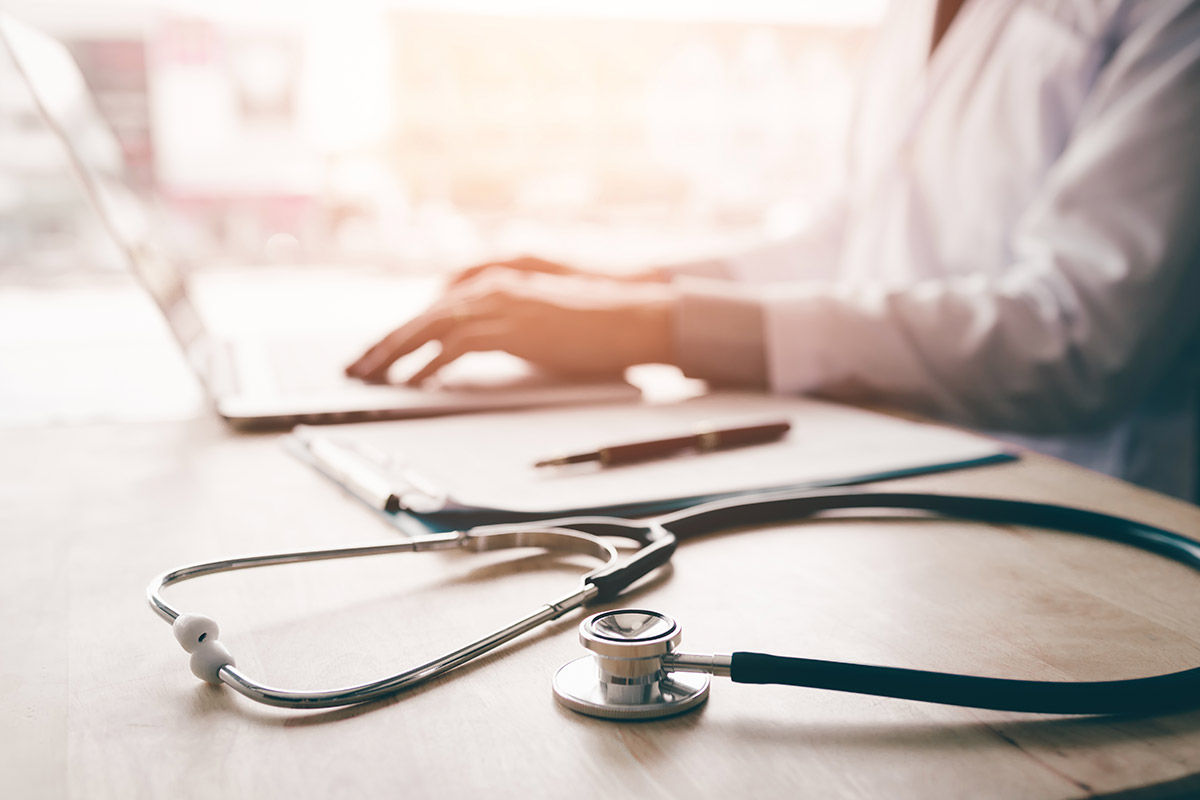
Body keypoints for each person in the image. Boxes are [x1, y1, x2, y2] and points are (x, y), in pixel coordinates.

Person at [348, 0, 1200, 501]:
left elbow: (1076, 337)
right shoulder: (910, 16)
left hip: (1083, 511)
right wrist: (620, 288)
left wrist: (656, 328)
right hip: (894, 484)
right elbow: (850, 237)